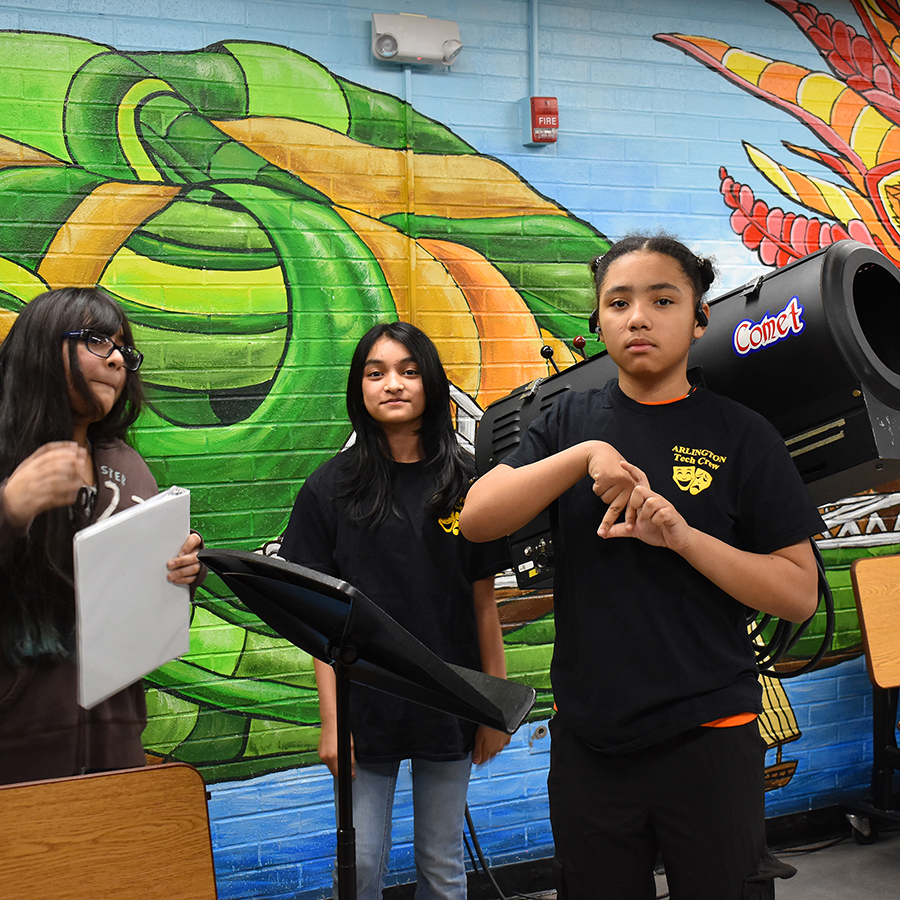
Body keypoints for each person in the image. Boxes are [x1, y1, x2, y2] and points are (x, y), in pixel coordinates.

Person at [458, 234, 825, 900]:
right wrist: (583, 454)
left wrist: (684, 538)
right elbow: (479, 517)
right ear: (597, 320)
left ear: (699, 316)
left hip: (711, 734)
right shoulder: (565, 421)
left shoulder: (742, 434)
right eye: (618, 302)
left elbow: (799, 595)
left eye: (663, 299)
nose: (638, 317)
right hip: (591, 740)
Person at [279, 321, 512, 900]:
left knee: (442, 867)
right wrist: (333, 722)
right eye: (376, 372)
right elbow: (317, 624)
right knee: (359, 869)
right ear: (359, 387)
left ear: (430, 382)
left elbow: (484, 600)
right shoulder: (327, 489)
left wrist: (495, 706)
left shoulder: (468, 483)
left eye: (409, 371)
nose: (393, 384)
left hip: (451, 701)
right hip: (365, 708)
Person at [0, 287, 204, 785]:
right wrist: (9, 510)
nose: (116, 359)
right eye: (95, 341)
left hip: (117, 743)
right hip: (17, 747)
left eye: (121, 349)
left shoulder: (127, 467)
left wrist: (180, 578)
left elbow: (142, 610)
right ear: (41, 349)